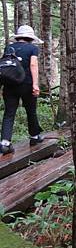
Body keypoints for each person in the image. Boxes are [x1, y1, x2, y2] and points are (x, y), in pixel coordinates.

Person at [0, 25, 44, 154]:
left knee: (9, 114)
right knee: (31, 111)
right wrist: (35, 84)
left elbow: (4, 67)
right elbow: (33, 64)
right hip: (27, 85)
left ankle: (5, 143)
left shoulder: (9, 48)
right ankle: (34, 137)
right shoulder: (32, 48)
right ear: (31, 38)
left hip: (10, 85)